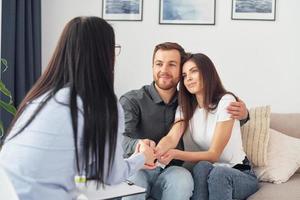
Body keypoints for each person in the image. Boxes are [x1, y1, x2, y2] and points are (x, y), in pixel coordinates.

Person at [0, 16, 155, 200]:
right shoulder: (102, 104)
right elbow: (111, 176)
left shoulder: (41, 97)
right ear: (105, 55)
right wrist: (142, 157)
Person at [120, 42, 249, 200]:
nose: (164, 70)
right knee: (136, 181)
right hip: (140, 166)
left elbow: (219, 134)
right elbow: (172, 137)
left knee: (191, 179)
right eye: (159, 64)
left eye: (172, 65)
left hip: (186, 170)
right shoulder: (136, 100)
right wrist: (150, 152)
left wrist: (245, 115)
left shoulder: (201, 102)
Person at [158, 53, 259, 200]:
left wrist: (174, 153)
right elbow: (172, 136)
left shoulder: (226, 101)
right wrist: (157, 151)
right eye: (185, 75)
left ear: (207, 73)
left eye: (194, 71)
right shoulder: (185, 108)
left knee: (218, 173)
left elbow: (214, 154)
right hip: (213, 171)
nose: (189, 79)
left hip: (240, 174)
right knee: (201, 167)